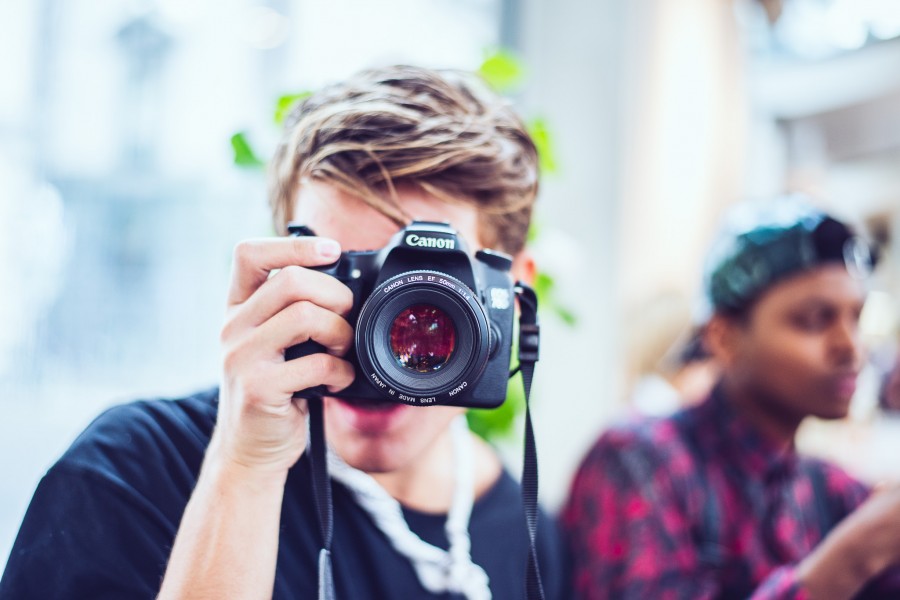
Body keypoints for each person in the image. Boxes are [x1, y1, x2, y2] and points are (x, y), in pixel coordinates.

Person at [0, 65, 568, 599]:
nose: (383, 339)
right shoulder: (135, 470)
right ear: (282, 270)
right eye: (351, 280)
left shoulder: (529, 531)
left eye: (429, 297)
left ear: (514, 296)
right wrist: (245, 469)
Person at [562, 198, 900, 599]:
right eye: (813, 320)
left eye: (855, 319)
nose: (851, 347)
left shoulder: (830, 488)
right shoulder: (638, 462)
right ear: (724, 337)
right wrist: (851, 559)